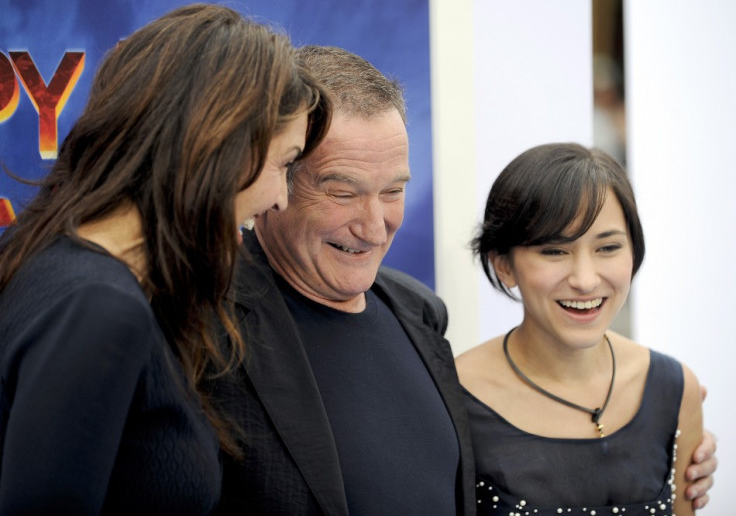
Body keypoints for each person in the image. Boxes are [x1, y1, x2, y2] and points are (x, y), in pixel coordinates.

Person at [216, 49, 716, 515]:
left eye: (393, 190)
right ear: (275, 177)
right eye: (343, 193)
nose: (374, 225)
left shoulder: (417, 312)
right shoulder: (204, 324)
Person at [0, 4, 331, 513]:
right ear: (219, 145)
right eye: (284, 163)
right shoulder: (98, 307)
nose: (282, 200)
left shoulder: (48, 265)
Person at [456, 143, 704, 515]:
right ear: (503, 264)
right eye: (555, 252)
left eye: (608, 248)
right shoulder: (453, 397)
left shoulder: (674, 387)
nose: (585, 281)